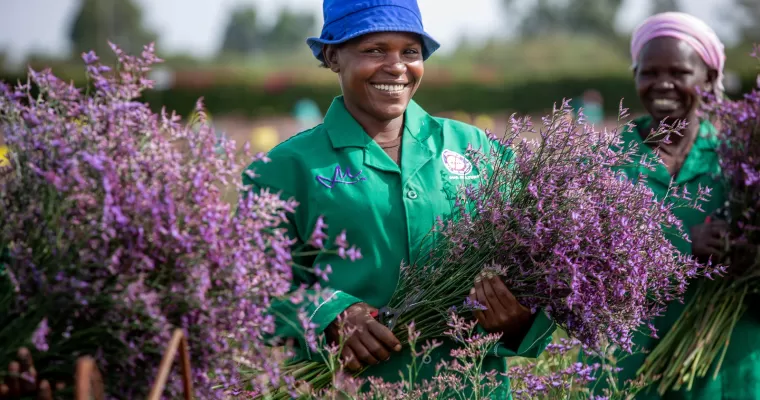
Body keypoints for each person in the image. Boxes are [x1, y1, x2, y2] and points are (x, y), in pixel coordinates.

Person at [243, 0, 555, 397]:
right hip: (348, 389)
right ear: (332, 55)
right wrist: (329, 314)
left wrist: (518, 319)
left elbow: (541, 259)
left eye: (410, 52)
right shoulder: (284, 168)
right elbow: (253, 288)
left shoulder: (477, 148)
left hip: (471, 388)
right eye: (374, 50)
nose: (396, 66)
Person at [595, 12, 760, 399]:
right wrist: (682, 247)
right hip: (631, 370)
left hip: (730, 371)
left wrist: (748, 255)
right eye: (649, 72)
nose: (662, 84)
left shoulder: (743, 155)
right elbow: (582, 265)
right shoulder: (603, 161)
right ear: (635, 75)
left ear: (710, 79)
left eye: (679, 72)